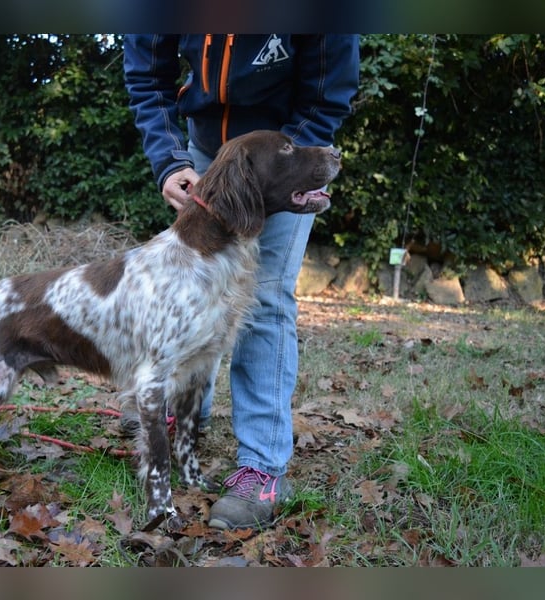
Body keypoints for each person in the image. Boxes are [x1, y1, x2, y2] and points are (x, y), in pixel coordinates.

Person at [123, 34, 359, 530]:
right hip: (207, 150)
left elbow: (328, 92)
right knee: (194, 290)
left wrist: (281, 166)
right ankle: (183, 415)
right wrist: (170, 159)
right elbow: (148, 74)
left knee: (266, 298)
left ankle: (261, 467)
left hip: (279, 156)